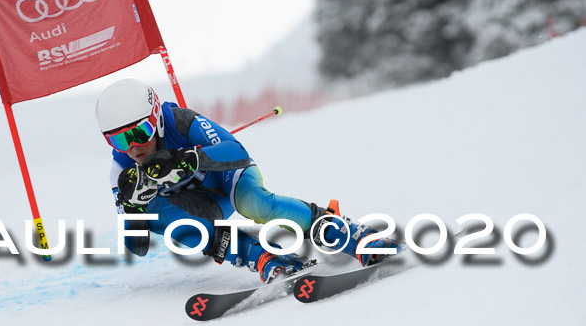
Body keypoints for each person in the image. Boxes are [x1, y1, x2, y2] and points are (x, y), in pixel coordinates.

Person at [96, 79, 400, 283]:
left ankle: (352, 236)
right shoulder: (120, 170)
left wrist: (189, 158)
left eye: (139, 133)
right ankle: (264, 257)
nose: (133, 147)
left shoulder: (181, 121)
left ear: (156, 118)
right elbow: (136, 247)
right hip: (203, 206)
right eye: (118, 140)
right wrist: (133, 208)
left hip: (229, 179)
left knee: (255, 203)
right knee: (170, 222)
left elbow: (236, 152)